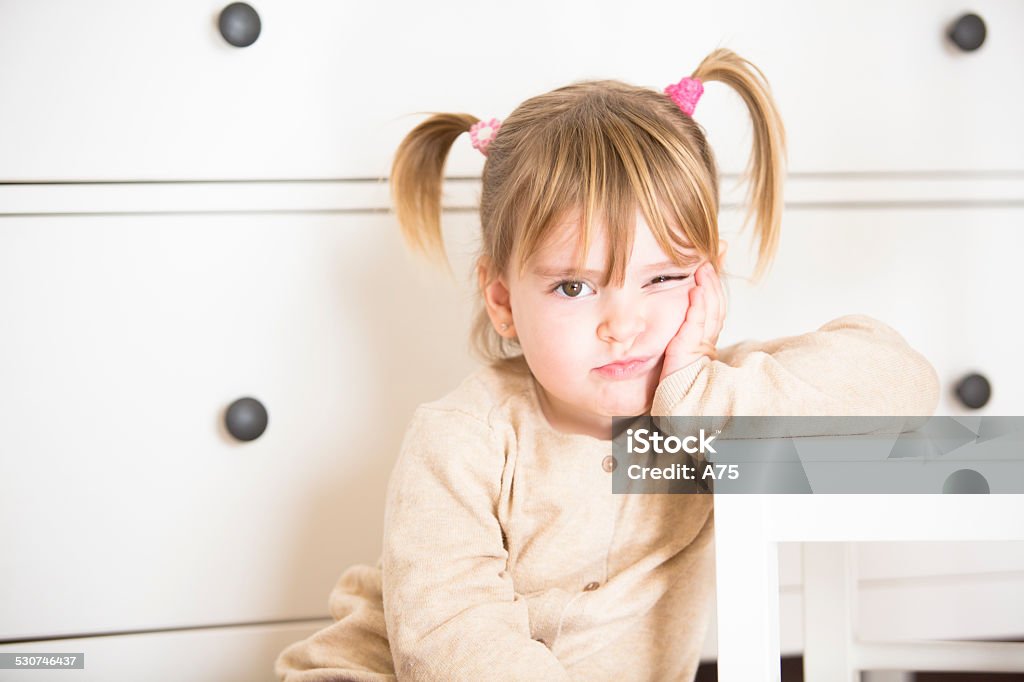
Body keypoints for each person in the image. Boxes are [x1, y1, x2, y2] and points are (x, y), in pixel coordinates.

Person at [275, 48, 939, 681]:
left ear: (708, 278)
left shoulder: (713, 404)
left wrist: (700, 393)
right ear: (503, 301)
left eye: (662, 280)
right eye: (575, 286)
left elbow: (903, 383)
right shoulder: (463, 438)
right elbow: (454, 636)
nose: (625, 326)